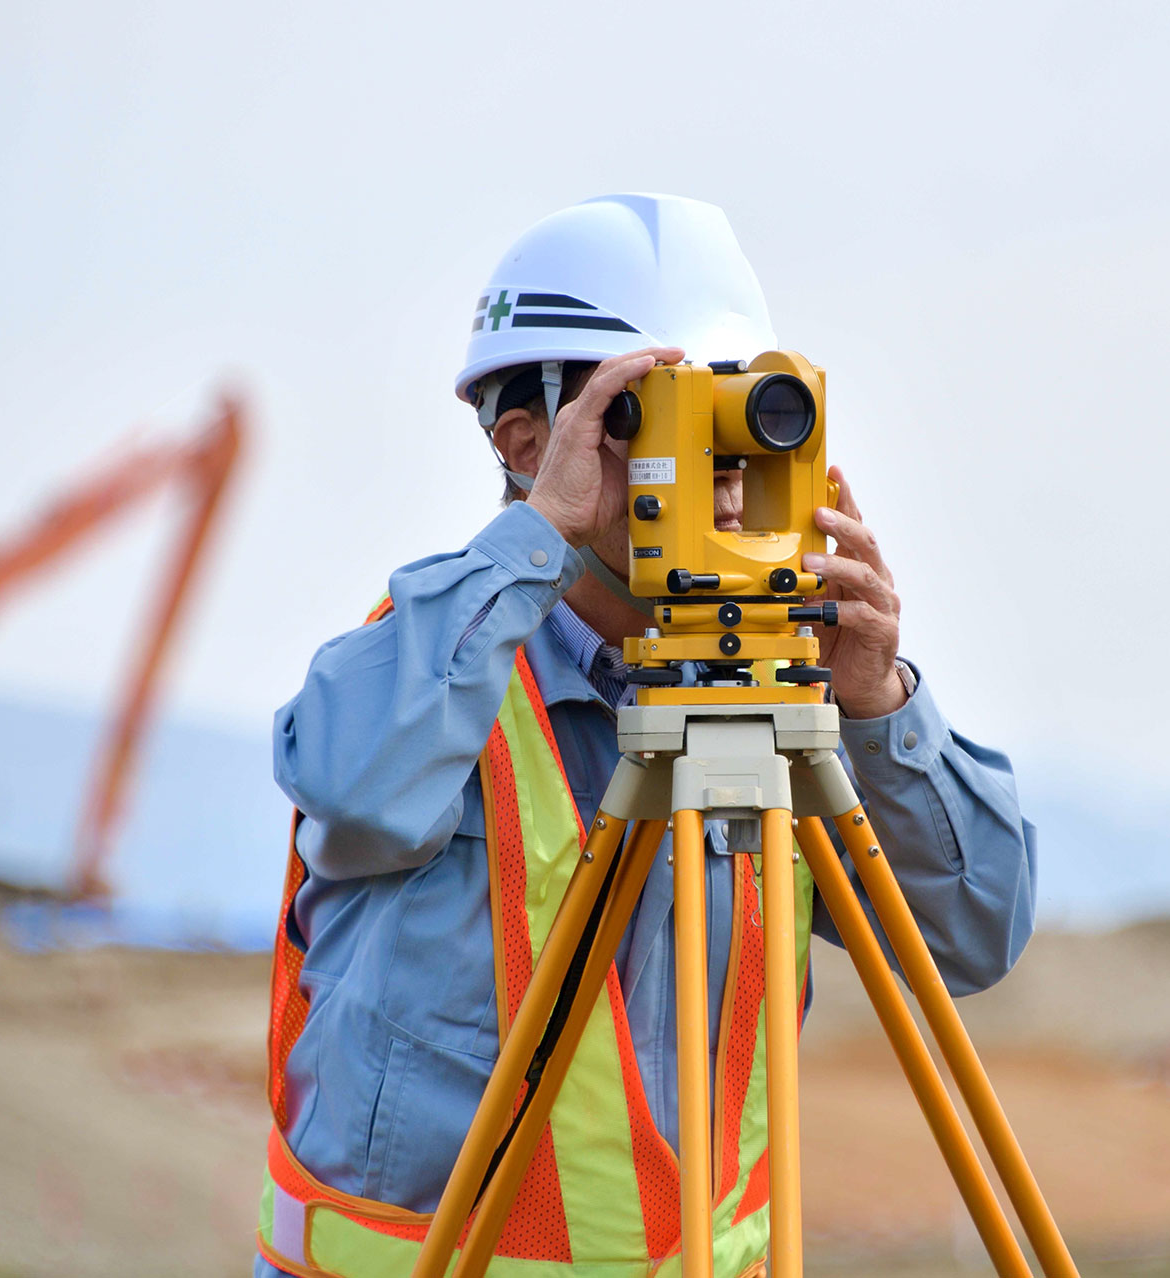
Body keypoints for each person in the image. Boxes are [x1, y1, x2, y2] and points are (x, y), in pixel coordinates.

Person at [254, 194, 1036, 1278]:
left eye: (731, 408)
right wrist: (527, 544)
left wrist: (876, 707)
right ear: (527, 440)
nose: (716, 462)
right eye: (650, 410)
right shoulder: (437, 671)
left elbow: (979, 930)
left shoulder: (784, 696)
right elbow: (346, 781)